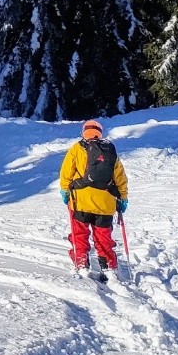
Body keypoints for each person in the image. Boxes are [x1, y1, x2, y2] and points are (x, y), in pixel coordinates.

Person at [58, 118, 128, 275]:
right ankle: (109, 267)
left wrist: (65, 191)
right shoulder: (109, 151)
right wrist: (123, 198)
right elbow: (120, 177)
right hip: (105, 203)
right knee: (103, 238)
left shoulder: (77, 148)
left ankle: (82, 262)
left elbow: (66, 172)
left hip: (80, 202)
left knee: (79, 234)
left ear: (84, 133)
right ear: (100, 134)